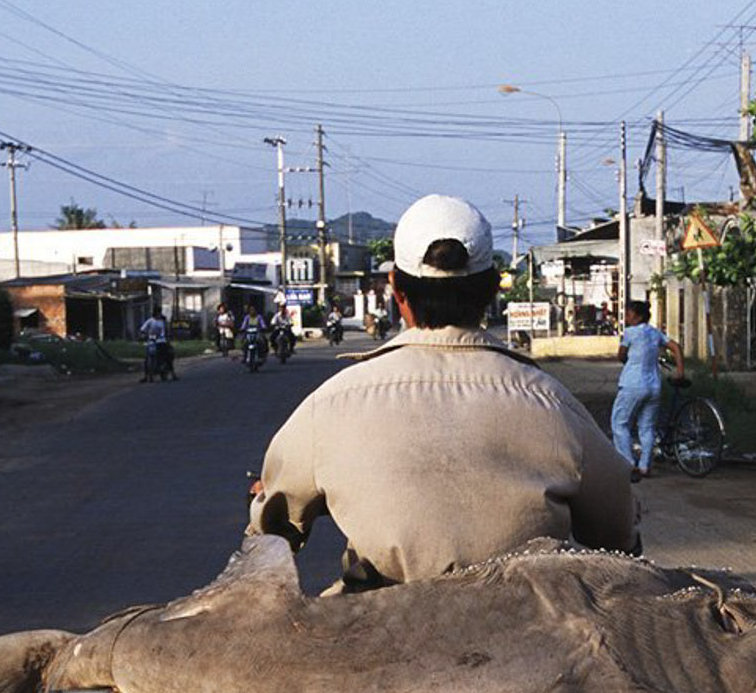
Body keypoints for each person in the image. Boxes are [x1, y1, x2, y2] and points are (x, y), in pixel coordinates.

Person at [249, 193, 636, 590]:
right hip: (527, 625)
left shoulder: (330, 405)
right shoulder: (554, 403)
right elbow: (618, 534)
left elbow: (270, 533)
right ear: (491, 292)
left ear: (396, 290)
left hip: (377, 629)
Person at [611, 299, 684, 483]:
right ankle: (645, 465)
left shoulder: (630, 333)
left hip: (632, 385)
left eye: (629, 314)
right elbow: (675, 347)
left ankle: (628, 464)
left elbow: (621, 355)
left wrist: (627, 360)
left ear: (639, 316)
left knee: (620, 423)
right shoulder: (655, 332)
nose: (626, 317)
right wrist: (680, 372)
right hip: (654, 386)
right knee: (647, 427)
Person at [138, 307, 172, 381]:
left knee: (166, 355)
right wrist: (142, 335)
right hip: (151, 340)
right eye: (157, 313)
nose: (158, 315)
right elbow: (142, 329)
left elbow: (167, 331)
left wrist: (167, 337)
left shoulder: (163, 321)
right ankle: (146, 376)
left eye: (159, 313)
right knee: (146, 358)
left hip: (161, 340)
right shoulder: (150, 321)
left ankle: (172, 373)